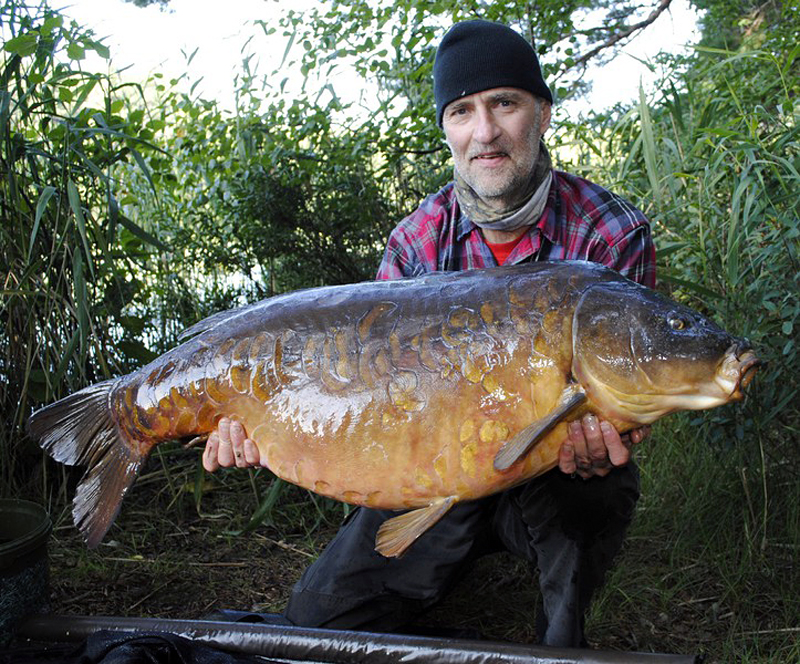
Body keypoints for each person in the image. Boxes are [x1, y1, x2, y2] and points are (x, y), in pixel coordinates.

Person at [203, 19, 655, 648]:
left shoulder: (612, 234)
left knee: (596, 488)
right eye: (463, 111)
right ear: (446, 129)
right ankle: (446, 563)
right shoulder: (416, 244)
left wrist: (612, 435)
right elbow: (365, 397)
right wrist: (263, 420)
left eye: (505, 104)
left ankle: (561, 634)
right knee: (318, 621)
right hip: (432, 464)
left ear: (543, 113)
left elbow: (632, 390)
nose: (485, 131)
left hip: (555, 471)